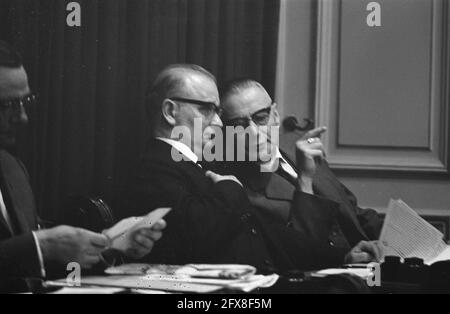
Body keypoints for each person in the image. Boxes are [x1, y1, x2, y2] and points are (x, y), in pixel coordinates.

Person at [121, 64, 380, 274]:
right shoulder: (162, 166)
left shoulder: (196, 167)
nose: (218, 122)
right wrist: (231, 188)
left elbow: (271, 236)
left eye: (261, 117)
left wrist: (343, 257)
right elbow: (198, 232)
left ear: (275, 116)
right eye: (207, 109)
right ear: (169, 112)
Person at [0, 40, 166, 293]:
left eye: (26, 101)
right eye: (7, 105)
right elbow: (34, 251)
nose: (23, 117)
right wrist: (41, 245)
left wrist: (107, 245)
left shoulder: (11, 168)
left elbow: (32, 268)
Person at [218, 78, 383, 253]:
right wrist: (305, 179)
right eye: (238, 125)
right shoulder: (236, 189)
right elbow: (302, 251)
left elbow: (352, 212)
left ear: (275, 115)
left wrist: (404, 236)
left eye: (260, 118)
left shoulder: (300, 148)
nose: (253, 133)